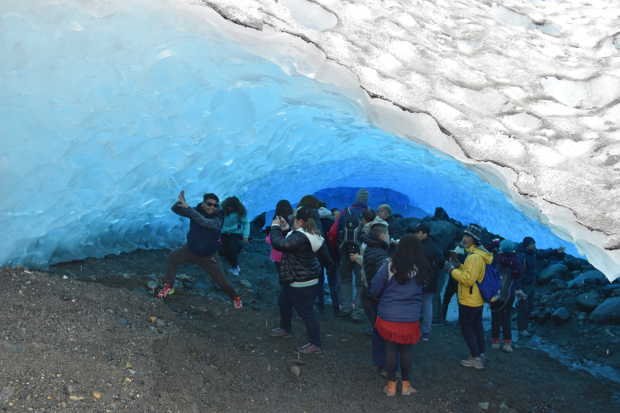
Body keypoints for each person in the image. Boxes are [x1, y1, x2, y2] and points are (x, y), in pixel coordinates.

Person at [370, 234, 431, 397]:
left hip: (388, 315)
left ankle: (390, 387)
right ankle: (406, 386)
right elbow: (425, 293)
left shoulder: (389, 266)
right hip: (410, 318)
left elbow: (375, 288)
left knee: (390, 348)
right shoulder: (422, 269)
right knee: (406, 351)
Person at [158, 191, 242, 309]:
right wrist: (180, 202)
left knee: (222, 281)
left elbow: (205, 222)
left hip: (208, 256)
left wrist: (189, 209)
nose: (212, 207)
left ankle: (235, 297)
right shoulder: (196, 211)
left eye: (215, 205)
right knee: (172, 258)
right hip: (189, 250)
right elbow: (175, 209)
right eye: (209, 204)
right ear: (203, 203)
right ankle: (169, 286)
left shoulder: (218, 217)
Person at [269, 207, 333, 354]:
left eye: (294, 218)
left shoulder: (301, 236)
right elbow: (326, 259)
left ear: (300, 221)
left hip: (299, 282)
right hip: (301, 279)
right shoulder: (312, 234)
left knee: (306, 312)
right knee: (284, 302)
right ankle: (285, 328)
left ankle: (315, 343)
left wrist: (275, 228)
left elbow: (281, 244)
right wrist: (285, 229)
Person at [446, 224, 493, 370]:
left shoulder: (474, 258)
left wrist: (451, 270)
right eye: (464, 235)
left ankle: (476, 358)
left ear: (475, 239)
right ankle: (480, 354)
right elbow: (471, 274)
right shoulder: (478, 255)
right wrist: (459, 265)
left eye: (468, 236)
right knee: (477, 327)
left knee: (467, 328)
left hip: (469, 300)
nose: (464, 239)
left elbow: (468, 280)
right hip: (476, 299)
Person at [328, 189, 369, 316]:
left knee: (345, 280)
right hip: (361, 252)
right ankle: (358, 310)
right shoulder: (369, 213)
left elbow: (333, 232)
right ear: (366, 200)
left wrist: (336, 248)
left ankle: (346, 308)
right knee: (360, 281)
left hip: (345, 250)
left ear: (356, 198)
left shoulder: (345, 211)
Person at [516, 237, 565, 337]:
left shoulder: (533, 253)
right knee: (523, 307)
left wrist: (555, 251)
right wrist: (518, 289)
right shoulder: (522, 256)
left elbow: (543, 253)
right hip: (524, 286)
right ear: (527, 245)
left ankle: (525, 327)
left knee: (530, 306)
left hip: (531, 284)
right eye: (532, 244)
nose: (534, 246)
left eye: (534, 244)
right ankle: (522, 329)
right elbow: (517, 274)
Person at [411, 223, 444, 341]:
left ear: (424, 233)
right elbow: (441, 263)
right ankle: (425, 332)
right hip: (431, 280)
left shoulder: (420, 246)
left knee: (417, 304)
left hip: (420, 279)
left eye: (418, 232)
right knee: (427, 305)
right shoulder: (435, 245)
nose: (415, 234)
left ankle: (416, 330)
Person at [491, 240, 522, 353]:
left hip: (495, 292)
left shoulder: (496, 259)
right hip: (509, 292)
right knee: (506, 317)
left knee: (495, 316)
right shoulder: (515, 261)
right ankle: (507, 343)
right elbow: (519, 274)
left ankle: (495, 341)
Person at [220, 196, 250, 276]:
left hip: (235, 233)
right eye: (228, 206)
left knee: (232, 249)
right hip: (223, 233)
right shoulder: (222, 210)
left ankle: (235, 268)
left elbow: (246, 223)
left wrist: (245, 236)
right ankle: (231, 260)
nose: (230, 208)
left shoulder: (240, 212)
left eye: (232, 207)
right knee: (225, 249)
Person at [265, 200, 294, 278]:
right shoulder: (294, 220)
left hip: (278, 255)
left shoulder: (275, 221)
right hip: (293, 254)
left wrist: (267, 234)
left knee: (283, 277)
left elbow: (269, 240)